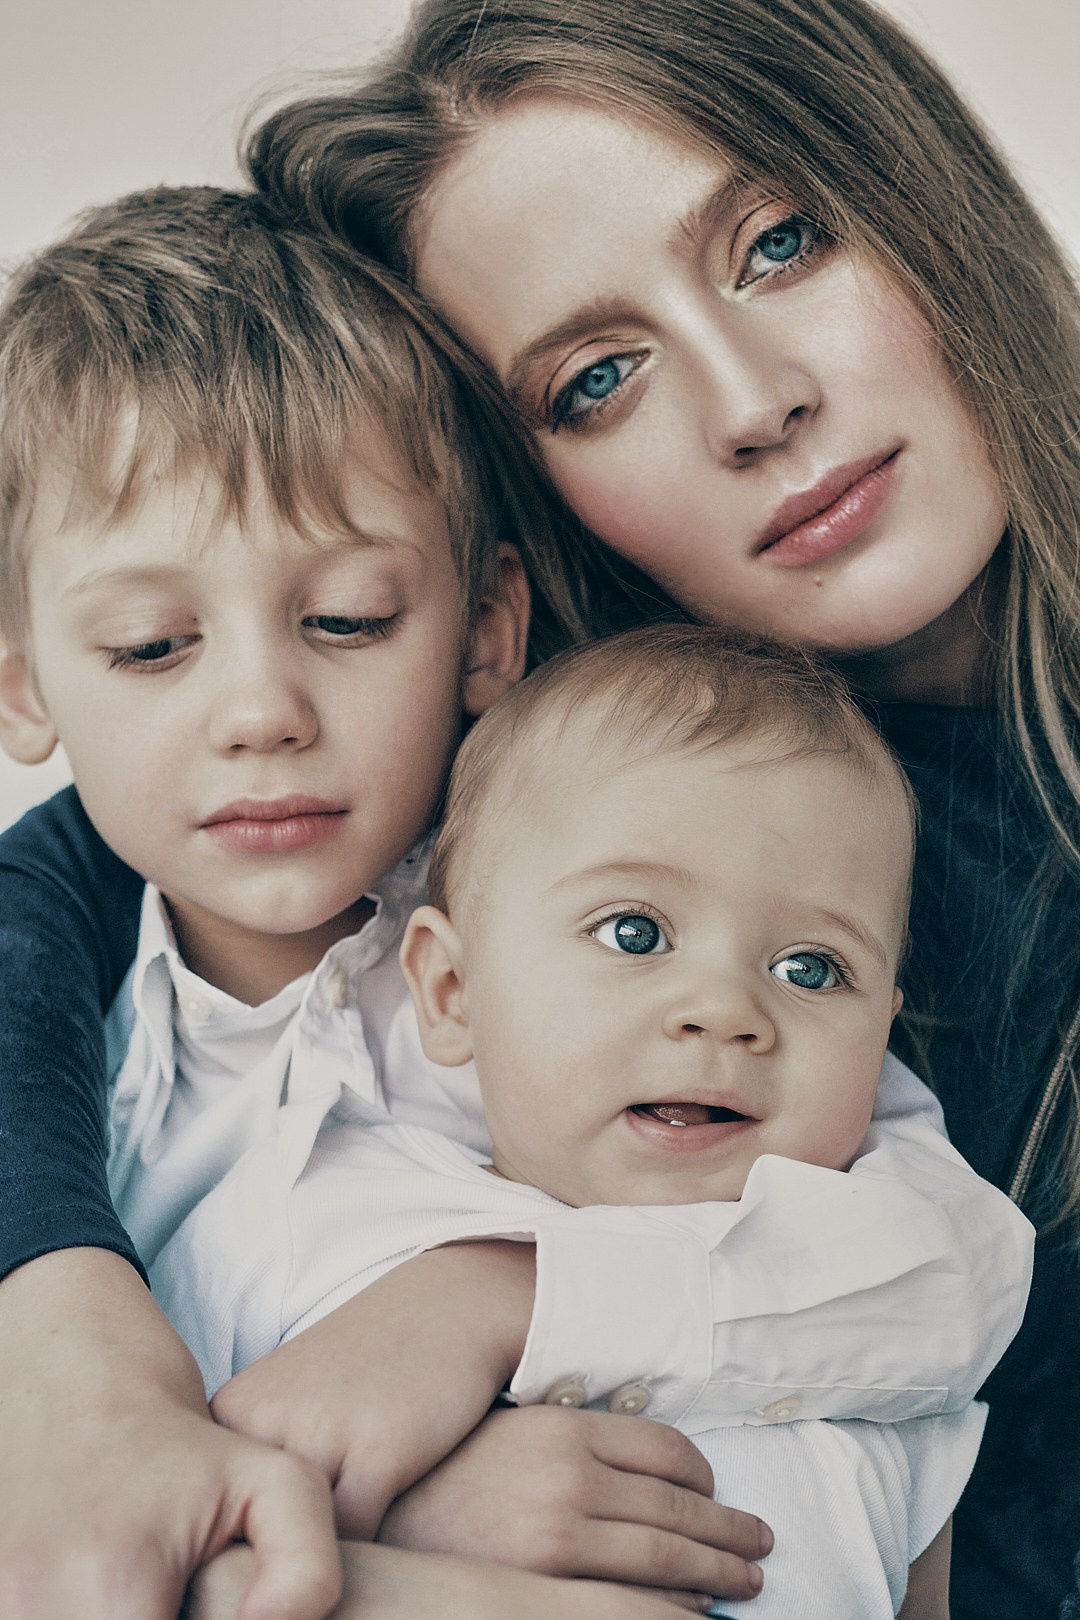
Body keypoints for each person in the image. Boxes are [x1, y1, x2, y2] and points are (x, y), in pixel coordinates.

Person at [0, 177, 1023, 1620]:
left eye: (348, 619)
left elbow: (946, 1275)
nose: (260, 712)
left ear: (488, 630)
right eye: (153, 645)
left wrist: (505, 1308)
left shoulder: (599, 924)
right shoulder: (70, 1059)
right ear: (26, 686)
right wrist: (393, 1513)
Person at [232, 1, 1080, 1612]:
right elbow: (62, 901)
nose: (754, 400)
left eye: (779, 241)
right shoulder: (560, 782)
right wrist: (71, 1357)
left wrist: (515, 1313)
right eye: (599, 377)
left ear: (917, 183)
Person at [153, 625, 1033, 1619]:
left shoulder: (890, 1235)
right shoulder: (306, 1215)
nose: (727, 1012)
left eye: (812, 970)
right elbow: (142, 1519)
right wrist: (394, 1521)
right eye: (634, 932)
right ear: (450, 991)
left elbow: (966, 1311)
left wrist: (510, 1303)